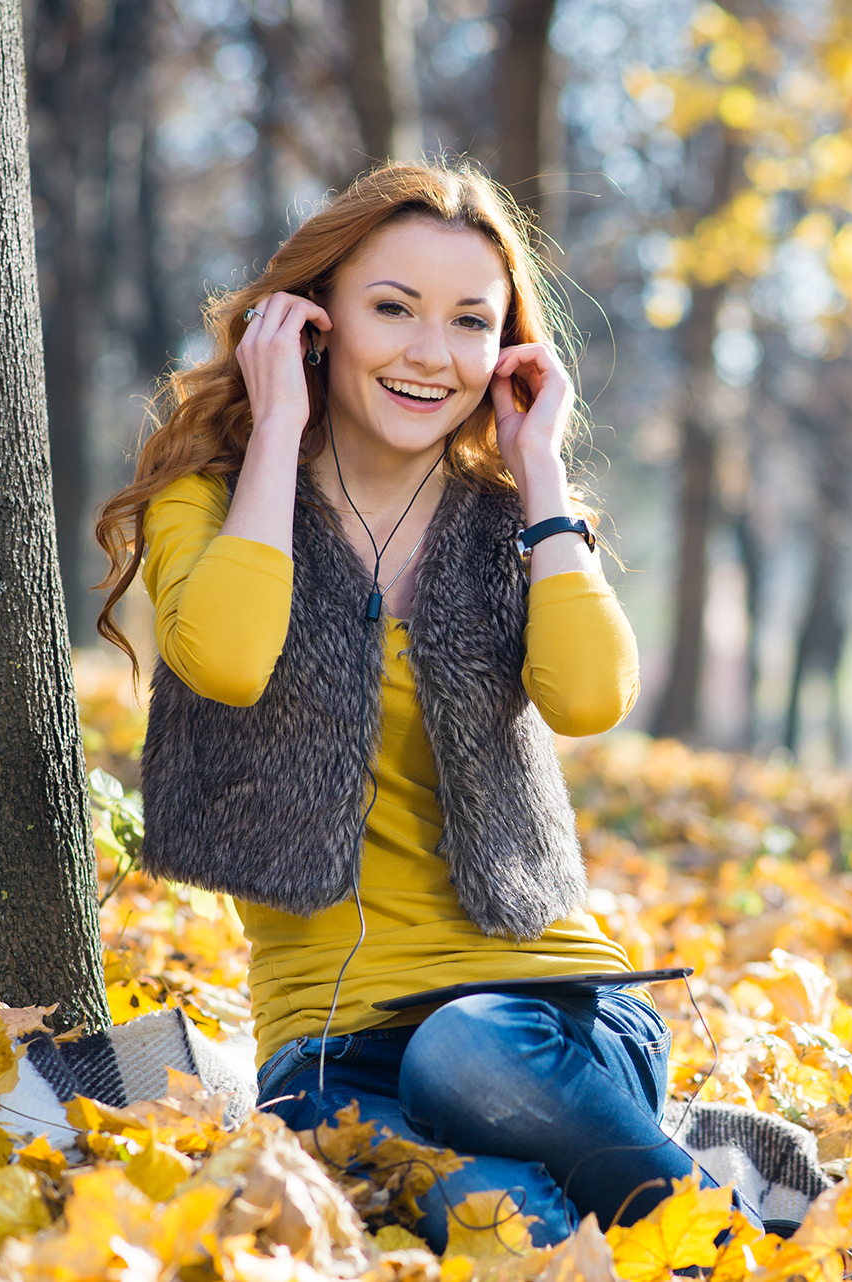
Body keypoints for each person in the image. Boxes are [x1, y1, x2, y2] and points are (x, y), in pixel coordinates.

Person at [93, 161, 752, 1248]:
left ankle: (744, 1248)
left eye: (468, 322)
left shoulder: (514, 525)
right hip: (330, 1046)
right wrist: (272, 433)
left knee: (465, 1051)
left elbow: (590, 696)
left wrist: (541, 475)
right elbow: (230, 658)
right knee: (494, 1218)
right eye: (391, 308)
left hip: (542, 1023)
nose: (429, 354)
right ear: (314, 323)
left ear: (504, 350)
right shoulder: (207, 502)